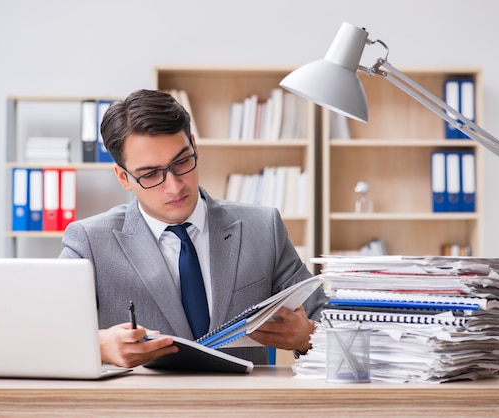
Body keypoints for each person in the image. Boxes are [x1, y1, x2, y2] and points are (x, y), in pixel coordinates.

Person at [60, 89, 326, 368]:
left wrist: (307, 337)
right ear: (123, 178)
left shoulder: (262, 229)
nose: (174, 186)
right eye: (150, 174)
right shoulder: (89, 241)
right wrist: (99, 345)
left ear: (195, 147)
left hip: (242, 409)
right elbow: (45, 334)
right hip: (140, 410)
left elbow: (334, 325)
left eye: (182, 162)